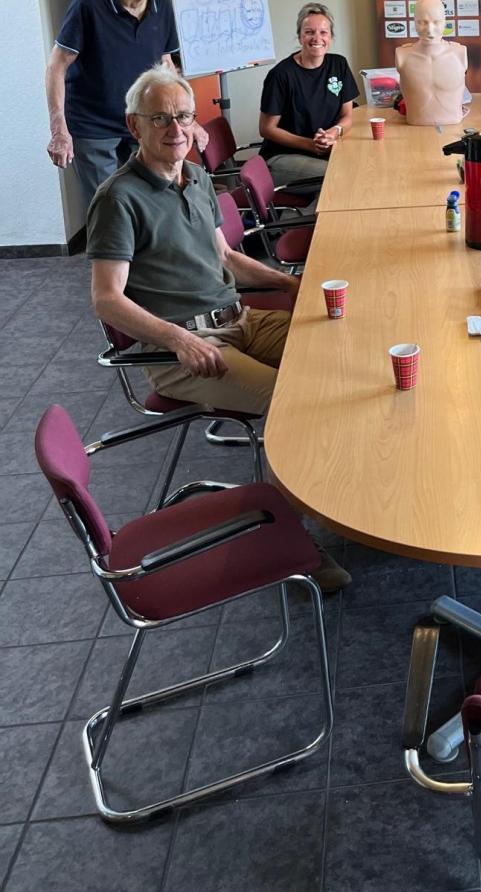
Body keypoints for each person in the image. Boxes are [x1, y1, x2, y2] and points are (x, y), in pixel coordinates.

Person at [87, 65, 350, 591]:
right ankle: (288, 542)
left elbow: (226, 257)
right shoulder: (119, 199)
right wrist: (177, 339)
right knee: (292, 404)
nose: (176, 128)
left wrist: (290, 283)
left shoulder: (197, 177)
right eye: (160, 118)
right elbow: (106, 299)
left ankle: (339, 488)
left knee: (339, 346)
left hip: (239, 319)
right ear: (134, 125)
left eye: (184, 116)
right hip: (184, 349)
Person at [46, 0, 204, 208]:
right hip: (93, 125)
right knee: (109, 206)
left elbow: (166, 64)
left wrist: (187, 119)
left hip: (145, 122)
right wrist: (59, 129)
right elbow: (57, 66)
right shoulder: (88, 4)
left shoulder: (161, 5)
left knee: (155, 201)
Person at [259, 3, 359, 186]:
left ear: (331, 37)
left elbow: (347, 115)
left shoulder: (339, 65)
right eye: (309, 32)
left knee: (363, 166)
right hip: (284, 157)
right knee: (340, 176)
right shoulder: (281, 75)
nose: (317, 38)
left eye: (323, 32)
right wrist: (310, 144)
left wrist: (333, 133)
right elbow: (266, 129)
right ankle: (311, 206)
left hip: (326, 149)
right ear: (300, 36)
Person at [395, 0, 470, 126]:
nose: (429, 30)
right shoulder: (402, 55)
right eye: (422, 22)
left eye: (436, 22)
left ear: (445, 22)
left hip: (453, 127)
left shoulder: (459, 53)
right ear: (414, 22)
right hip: (414, 128)